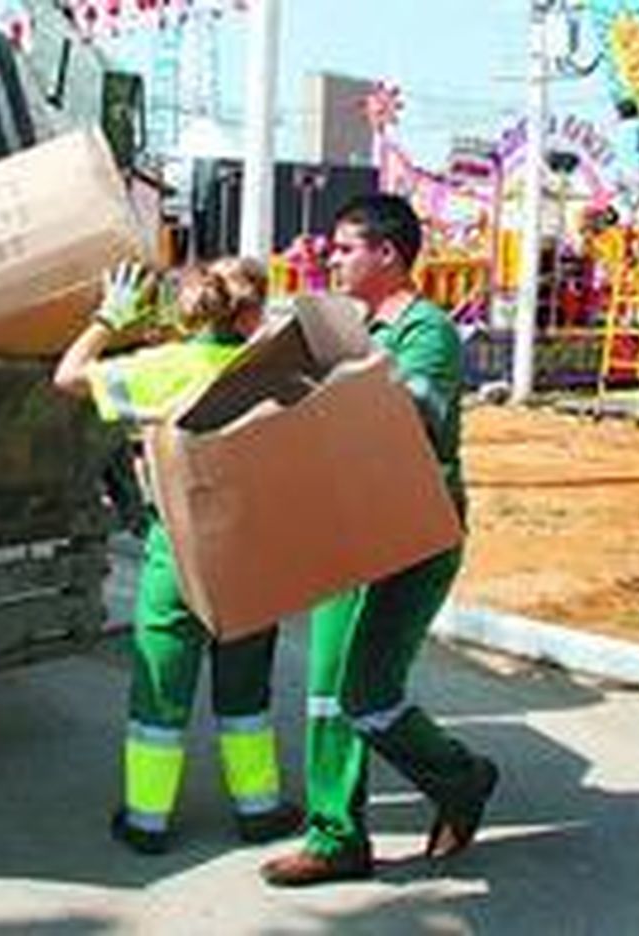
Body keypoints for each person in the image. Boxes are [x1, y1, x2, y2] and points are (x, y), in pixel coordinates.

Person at [261, 194, 499, 887]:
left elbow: (413, 412)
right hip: (346, 529)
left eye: (344, 248)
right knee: (326, 689)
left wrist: (331, 377)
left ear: (387, 254)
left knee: (370, 694)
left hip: (413, 537)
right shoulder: (347, 329)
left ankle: (464, 778)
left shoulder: (427, 331)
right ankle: (336, 836)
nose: (331, 259)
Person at [54, 257, 301, 855]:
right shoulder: (276, 376)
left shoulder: (162, 369)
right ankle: (259, 809)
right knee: (245, 689)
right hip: (251, 554)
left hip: (179, 550)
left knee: (161, 686)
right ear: (251, 310)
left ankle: (147, 820)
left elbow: (68, 376)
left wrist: (111, 318)